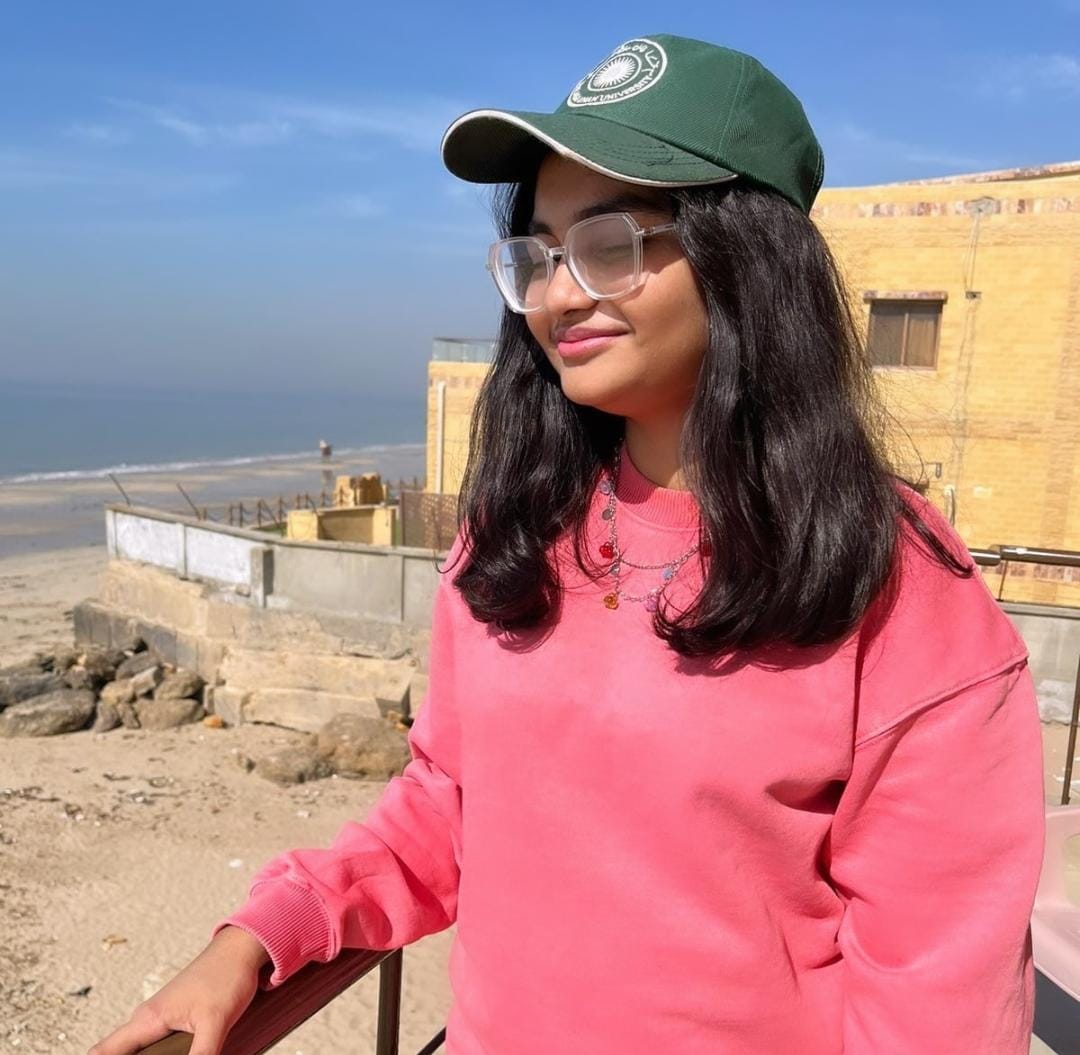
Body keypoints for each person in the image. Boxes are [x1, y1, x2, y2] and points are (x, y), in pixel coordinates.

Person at [89, 33, 1046, 1055]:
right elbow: (452, 803)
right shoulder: (517, 532)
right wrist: (264, 932)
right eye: (539, 256)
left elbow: (935, 996)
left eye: (609, 244)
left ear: (748, 255)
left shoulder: (892, 584)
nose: (558, 295)